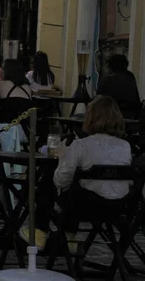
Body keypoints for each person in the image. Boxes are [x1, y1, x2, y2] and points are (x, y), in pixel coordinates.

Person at [20, 96, 132, 250]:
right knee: (77, 188)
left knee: (52, 177)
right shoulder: (126, 146)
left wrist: (63, 157)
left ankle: (40, 230)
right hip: (117, 206)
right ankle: (68, 235)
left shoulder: (81, 145)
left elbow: (60, 181)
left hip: (84, 207)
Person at [97, 54, 141, 119]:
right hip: (129, 116)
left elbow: (99, 101)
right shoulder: (130, 78)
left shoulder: (106, 81)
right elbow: (136, 101)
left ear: (110, 66)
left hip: (109, 117)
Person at [0, 59, 33, 125]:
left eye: (2, 68)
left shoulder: (0, 84)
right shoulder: (27, 87)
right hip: (24, 126)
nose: (0, 71)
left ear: (8, 71)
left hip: (6, 126)